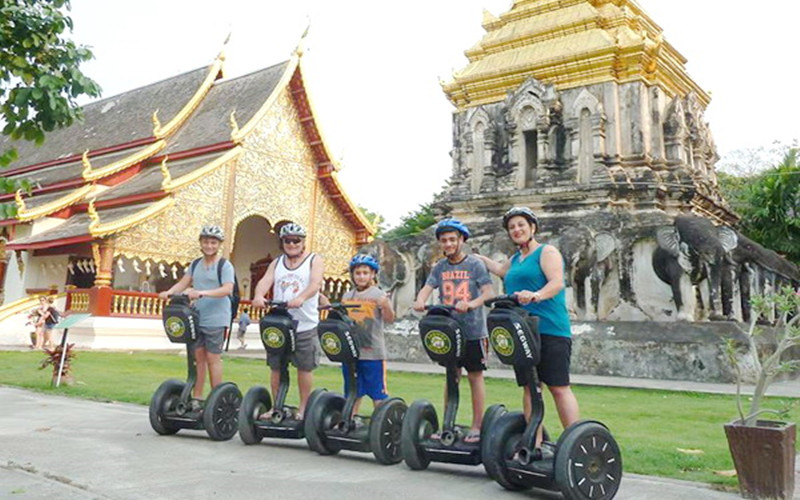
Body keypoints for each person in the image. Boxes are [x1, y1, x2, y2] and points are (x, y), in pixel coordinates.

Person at [476, 207, 579, 452]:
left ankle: (575, 442)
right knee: (531, 387)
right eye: (512, 227)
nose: (517, 230)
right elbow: (501, 271)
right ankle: (533, 443)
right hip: (523, 331)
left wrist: (536, 295)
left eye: (521, 225)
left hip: (551, 329)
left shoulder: (547, 252)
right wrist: (479, 259)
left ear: (532, 227)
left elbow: (556, 283)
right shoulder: (515, 259)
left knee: (557, 386)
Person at [413, 218, 494, 443]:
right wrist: (420, 301)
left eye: (452, 240)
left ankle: (477, 425)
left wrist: (472, 304)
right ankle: (447, 423)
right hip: (449, 331)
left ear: (461, 240)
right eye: (443, 241)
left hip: (473, 331)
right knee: (451, 376)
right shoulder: (440, 267)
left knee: (475, 376)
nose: (448, 244)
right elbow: (427, 288)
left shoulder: (475, 265)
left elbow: (488, 292)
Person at [158, 225, 235, 411]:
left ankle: (217, 399)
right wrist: (169, 292)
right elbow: (183, 283)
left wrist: (202, 293)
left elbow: (227, 289)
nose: (209, 245)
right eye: (206, 242)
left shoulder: (225, 265)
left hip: (217, 318)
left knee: (212, 358)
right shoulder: (195, 264)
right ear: (201, 243)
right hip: (197, 317)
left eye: (213, 242)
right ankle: (198, 398)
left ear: (219, 245)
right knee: (197, 357)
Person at [252, 223, 324, 420]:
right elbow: (266, 280)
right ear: (282, 242)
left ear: (303, 242)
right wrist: (258, 295)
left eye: (296, 240)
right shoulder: (277, 263)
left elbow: (315, 283)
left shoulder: (313, 260)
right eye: (287, 240)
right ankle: (276, 406)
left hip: (305, 324)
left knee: (304, 367)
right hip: (281, 323)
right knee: (276, 366)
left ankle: (303, 408)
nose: (292, 244)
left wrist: (301, 297)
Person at [340, 254, 395, 418]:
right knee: (353, 391)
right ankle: (350, 420)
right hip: (351, 351)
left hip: (373, 352)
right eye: (358, 273)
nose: (361, 276)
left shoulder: (378, 295)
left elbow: (390, 319)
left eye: (365, 273)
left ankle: (380, 424)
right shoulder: (347, 297)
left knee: (377, 393)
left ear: (372, 274)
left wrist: (385, 306)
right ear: (353, 275)